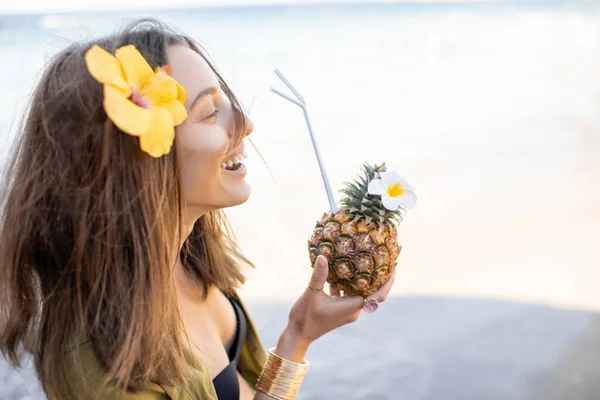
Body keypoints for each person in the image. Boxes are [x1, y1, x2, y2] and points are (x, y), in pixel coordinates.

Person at [0, 19, 397, 400]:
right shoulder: (100, 363)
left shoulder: (188, 255)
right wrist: (297, 338)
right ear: (136, 161)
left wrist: (300, 330)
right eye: (209, 112)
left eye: (226, 100)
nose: (245, 123)